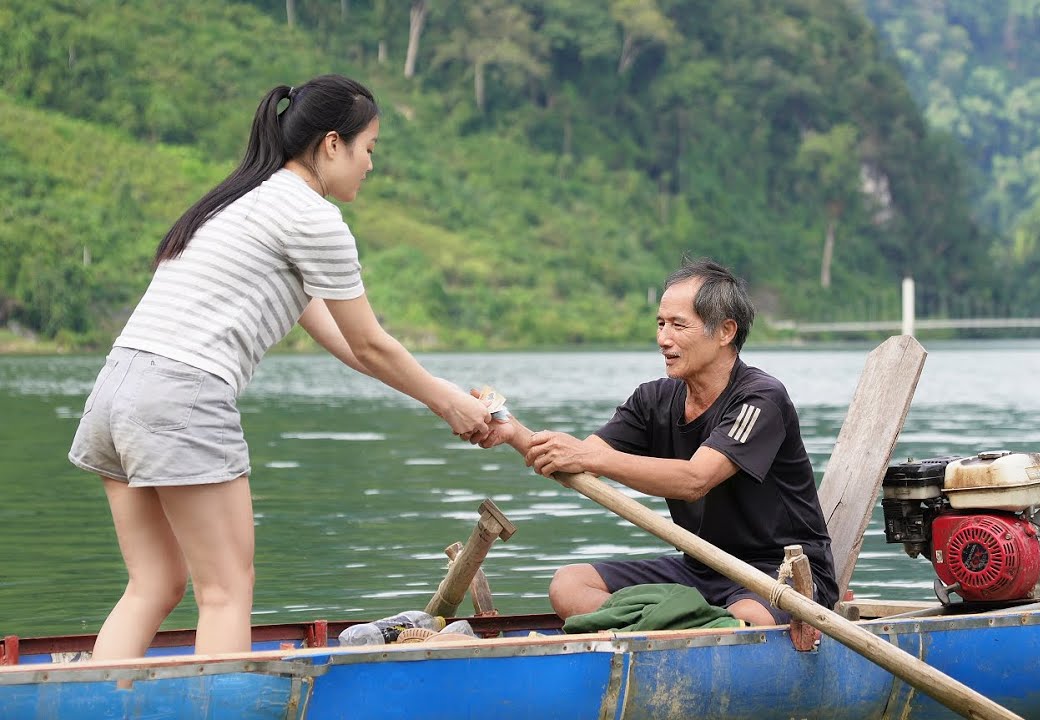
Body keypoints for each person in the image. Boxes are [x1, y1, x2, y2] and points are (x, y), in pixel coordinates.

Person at [67, 74, 497, 660]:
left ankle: (102, 702)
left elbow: (348, 344)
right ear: (331, 144)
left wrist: (446, 395)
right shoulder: (312, 217)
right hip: (181, 396)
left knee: (155, 584)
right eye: (369, 148)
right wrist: (449, 404)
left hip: (116, 393)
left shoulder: (244, 199)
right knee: (225, 591)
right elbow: (371, 344)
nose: (371, 165)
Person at [480, 259, 837, 625]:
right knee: (569, 585)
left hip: (777, 576)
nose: (663, 338)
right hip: (701, 570)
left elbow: (695, 480)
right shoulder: (653, 400)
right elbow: (576, 462)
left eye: (678, 325)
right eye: (661, 323)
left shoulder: (760, 399)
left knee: (747, 618)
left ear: (725, 332)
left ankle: (675, 627)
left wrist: (588, 457)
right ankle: (683, 628)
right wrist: (512, 432)